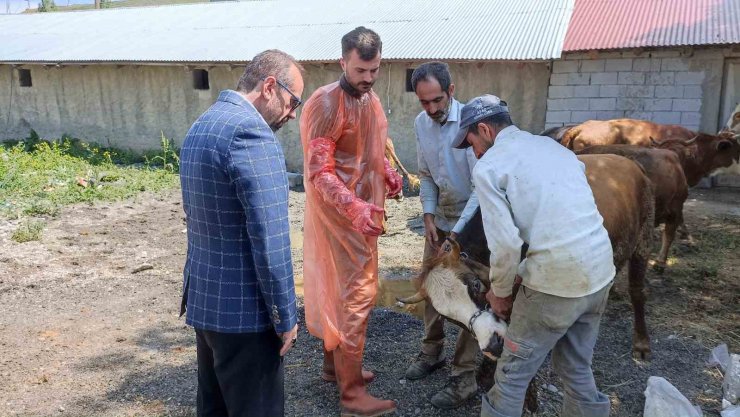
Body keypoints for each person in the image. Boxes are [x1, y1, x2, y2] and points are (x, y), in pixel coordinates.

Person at [451, 95, 615, 417]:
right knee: (577, 369)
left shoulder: (490, 166)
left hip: (555, 284)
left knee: (511, 378)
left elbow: (507, 245)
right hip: (599, 273)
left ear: (484, 129)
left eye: (472, 143)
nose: (475, 153)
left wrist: (499, 294)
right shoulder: (555, 150)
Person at [179, 49, 304, 417]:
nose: (293, 113)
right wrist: (286, 317)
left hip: (206, 303)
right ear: (269, 86)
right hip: (246, 315)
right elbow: (271, 240)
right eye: (293, 100)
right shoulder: (252, 135)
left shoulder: (203, 124)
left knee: (214, 408)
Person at [300, 26, 402, 417]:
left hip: (365, 216)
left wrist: (387, 174)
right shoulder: (326, 104)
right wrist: (355, 207)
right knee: (355, 298)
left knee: (337, 292)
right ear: (343, 61)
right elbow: (319, 172)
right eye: (361, 70)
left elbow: (372, 149)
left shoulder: (370, 100)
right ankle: (352, 394)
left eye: (374, 69)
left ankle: (336, 368)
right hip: (342, 219)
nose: (368, 78)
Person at [404, 61, 480, 409]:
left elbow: (483, 189)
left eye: (437, 100)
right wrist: (429, 216)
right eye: (424, 102)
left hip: (476, 226)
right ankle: (431, 351)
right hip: (442, 222)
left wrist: (459, 233)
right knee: (432, 288)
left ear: (451, 91)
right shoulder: (421, 124)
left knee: (470, 298)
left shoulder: (473, 124)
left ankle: (464, 375)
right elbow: (427, 176)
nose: (432, 109)